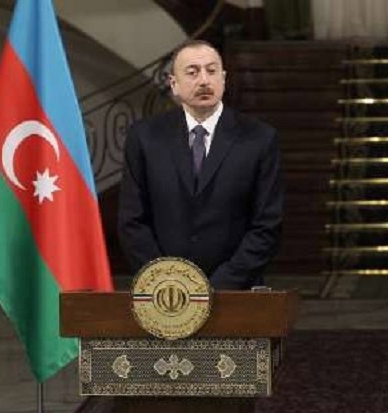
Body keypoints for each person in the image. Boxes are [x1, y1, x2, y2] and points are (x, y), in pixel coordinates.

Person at [118, 39, 283, 289]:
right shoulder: (145, 137)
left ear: (223, 79)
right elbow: (132, 221)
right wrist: (167, 280)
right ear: (174, 84)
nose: (204, 80)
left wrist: (215, 287)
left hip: (235, 292)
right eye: (192, 72)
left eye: (212, 71)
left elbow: (267, 226)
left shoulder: (259, 138)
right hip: (165, 293)